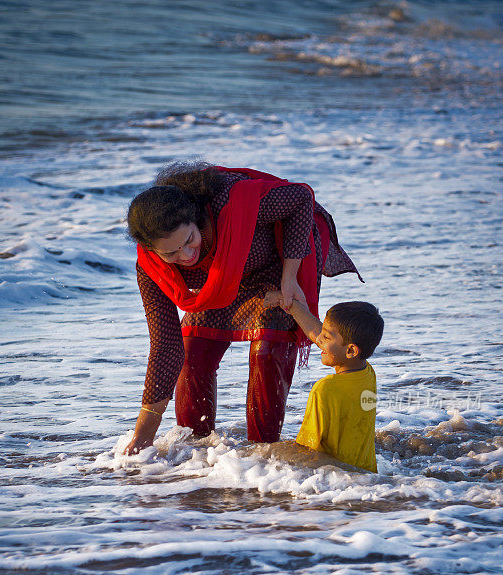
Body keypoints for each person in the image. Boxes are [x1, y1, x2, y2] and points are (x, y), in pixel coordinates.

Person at [124, 161, 362, 455]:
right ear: (153, 251)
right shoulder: (150, 268)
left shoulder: (232, 204)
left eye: (190, 240)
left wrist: (289, 277)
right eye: (171, 253)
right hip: (220, 279)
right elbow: (165, 346)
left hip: (276, 261)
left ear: (196, 219)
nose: (186, 255)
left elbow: (301, 197)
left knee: (266, 352)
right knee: (192, 350)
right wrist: (143, 435)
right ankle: (196, 453)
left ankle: (264, 456)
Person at [263, 292, 384, 472]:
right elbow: (317, 333)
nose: (319, 340)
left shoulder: (324, 389)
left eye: (326, 337)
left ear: (351, 350)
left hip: (332, 481)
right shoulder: (367, 373)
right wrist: (292, 306)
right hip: (364, 476)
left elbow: (307, 450)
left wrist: (264, 456)